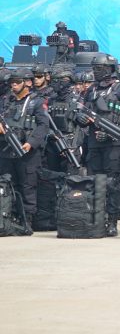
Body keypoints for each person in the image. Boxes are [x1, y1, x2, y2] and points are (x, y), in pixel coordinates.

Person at [81, 54, 120, 236]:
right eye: (94, 69)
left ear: (110, 69)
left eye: (100, 69)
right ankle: (95, 219)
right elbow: (83, 114)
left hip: (113, 145)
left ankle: (112, 221)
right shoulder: (91, 91)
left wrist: (113, 132)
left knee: (112, 183)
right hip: (94, 143)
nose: (96, 72)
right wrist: (81, 119)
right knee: (94, 182)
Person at [0, 68, 50, 231]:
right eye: (12, 83)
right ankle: (10, 216)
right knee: (9, 184)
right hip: (7, 149)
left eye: (17, 83)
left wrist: (31, 142)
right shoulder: (7, 101)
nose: (13, 86)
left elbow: (43, 125)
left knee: (28, 186)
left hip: (27, 150)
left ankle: (27, 220)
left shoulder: (36, 101)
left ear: (27, 83)